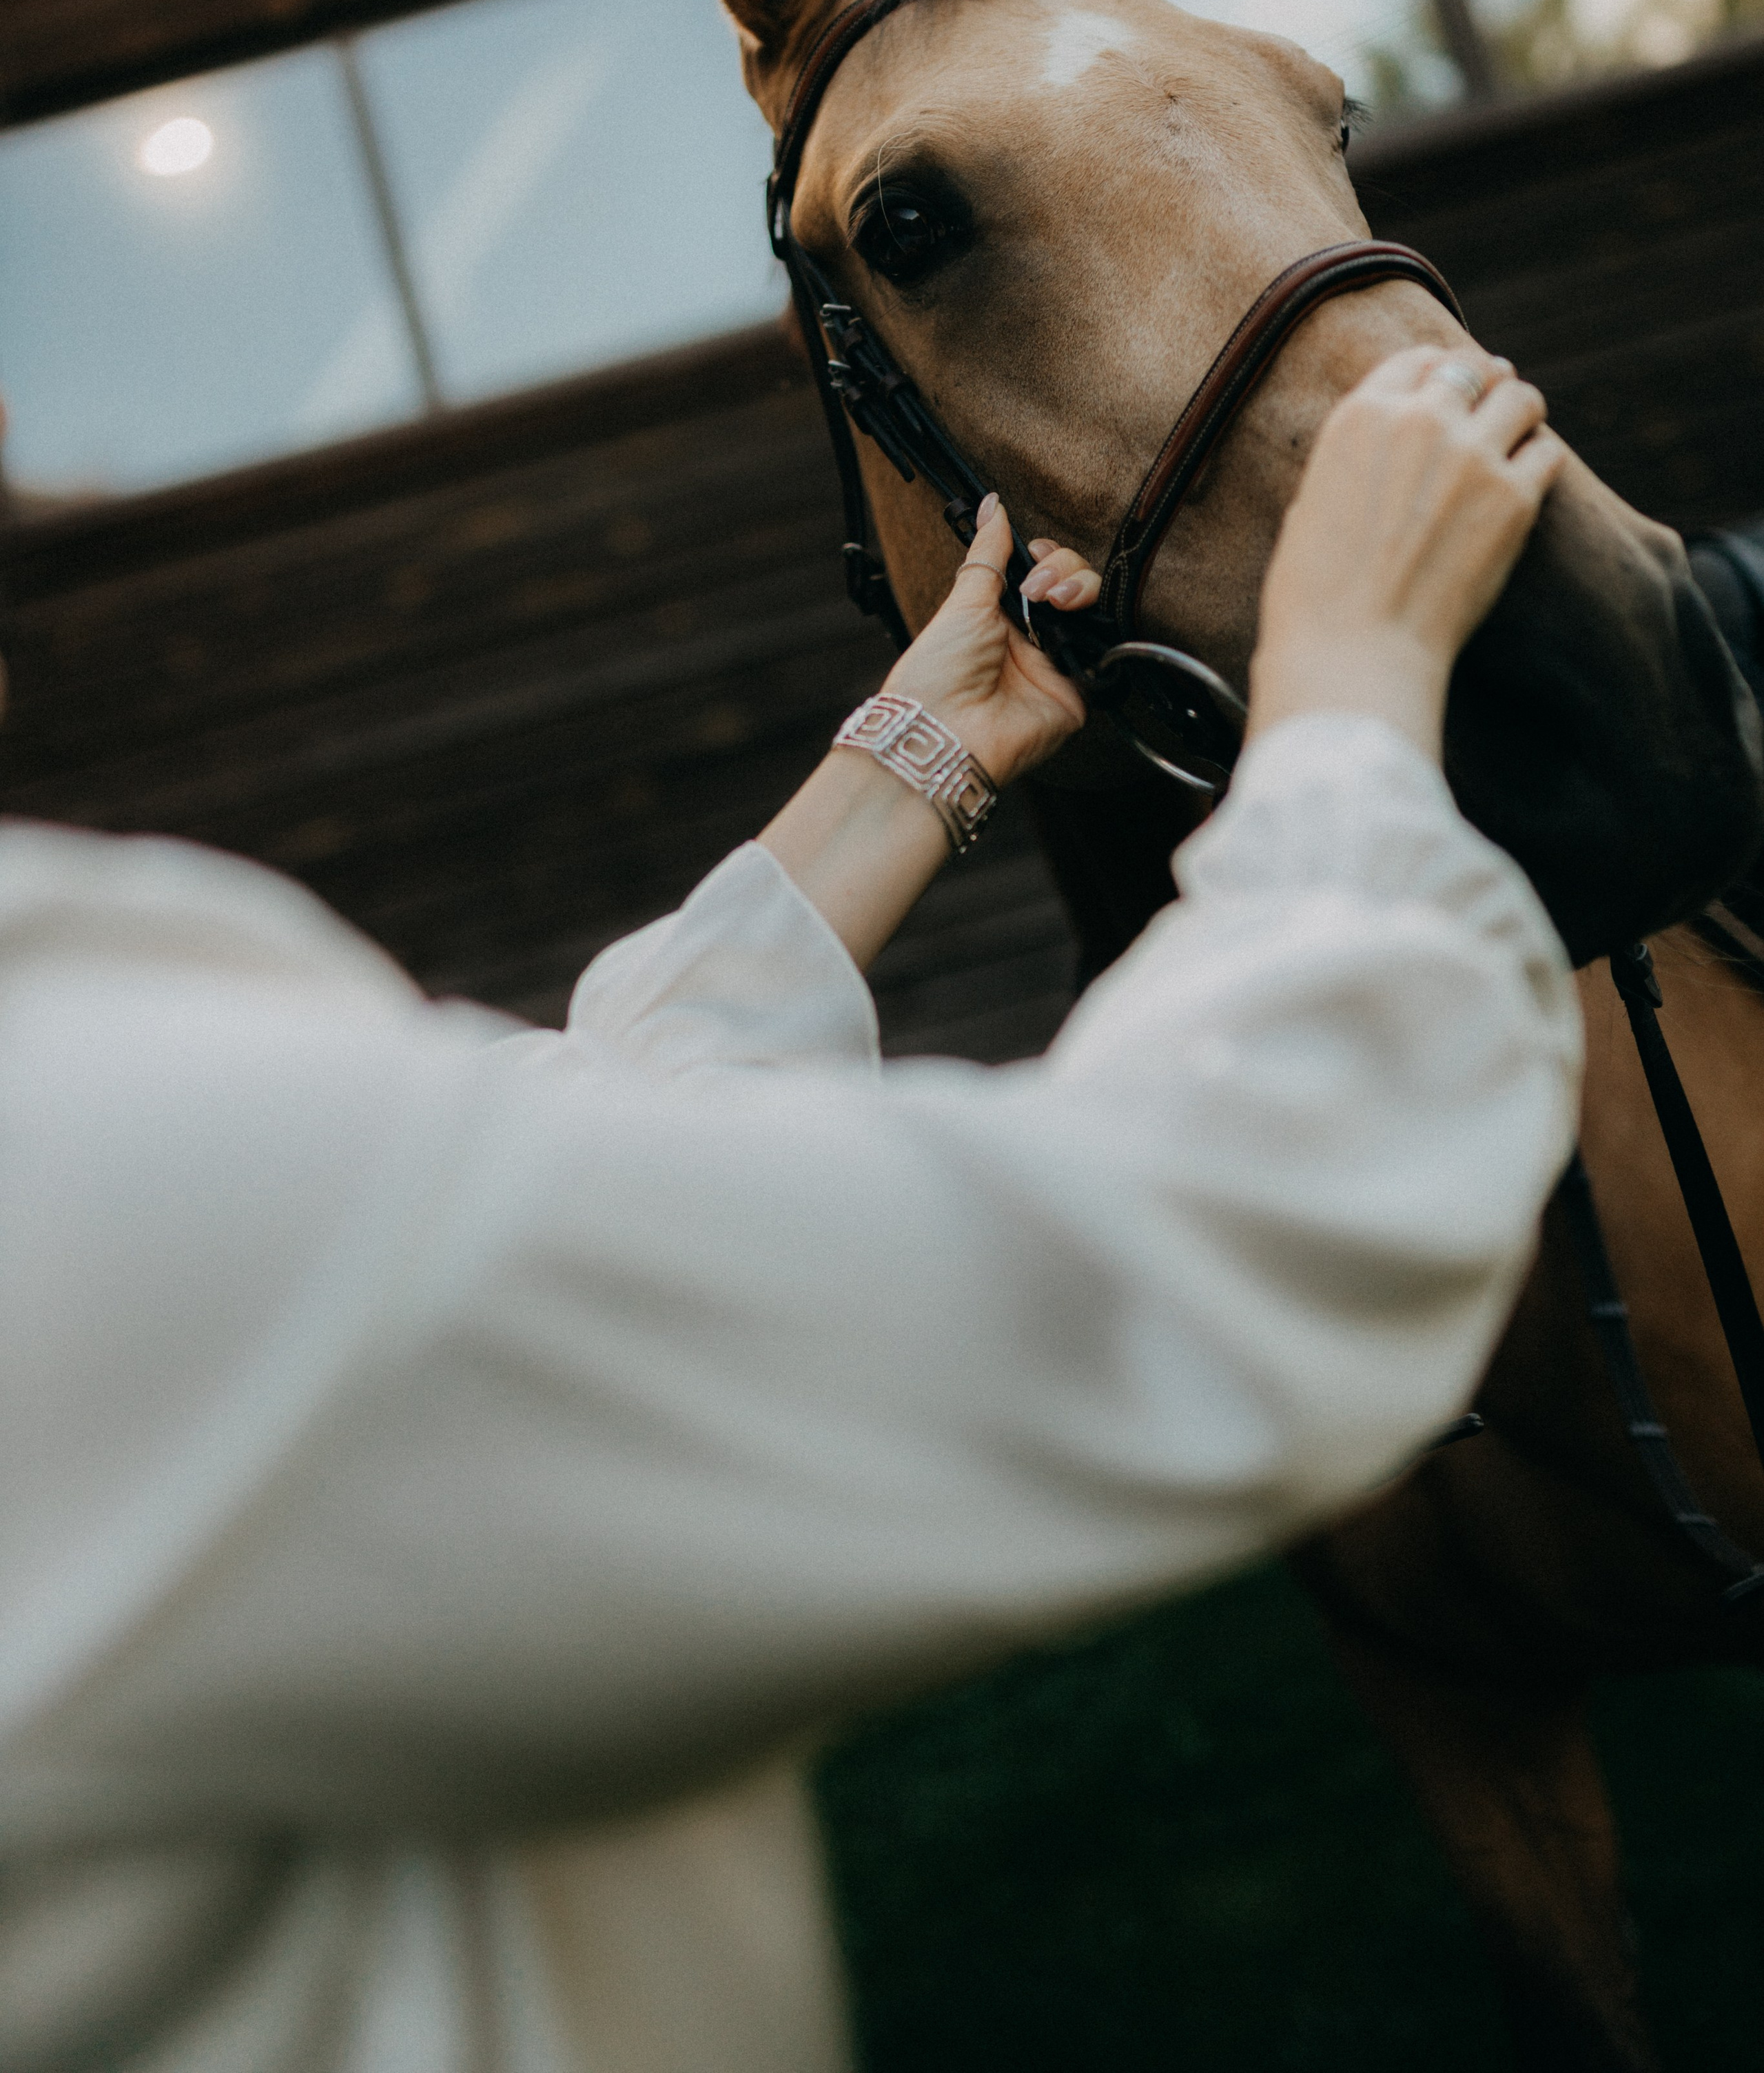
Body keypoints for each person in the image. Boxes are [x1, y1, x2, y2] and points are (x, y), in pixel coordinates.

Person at [0, 344, 1575, 2073]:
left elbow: (572, 1146)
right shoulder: (85, 1160)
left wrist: (919, 748)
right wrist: (1348, 675)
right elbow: (1201, 1251)